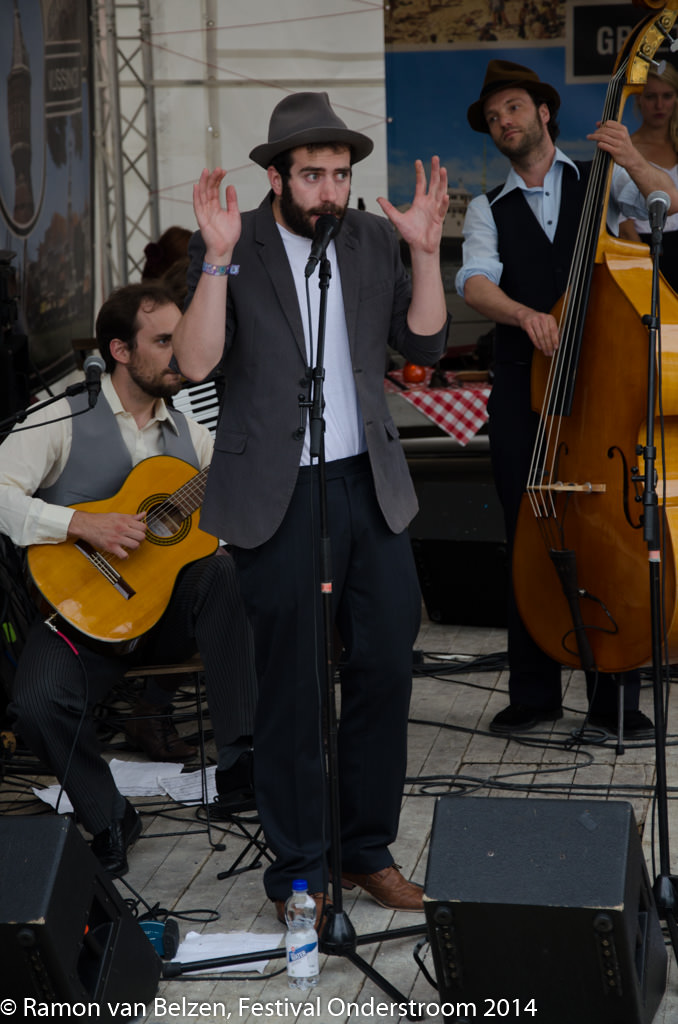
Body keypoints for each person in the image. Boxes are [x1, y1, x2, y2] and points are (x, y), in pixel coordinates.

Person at [171, 91, 450, 921]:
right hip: (278, 493)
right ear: (277, 177)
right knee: (292, 686)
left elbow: (426, 343)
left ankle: (364, 851)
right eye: (313, 175)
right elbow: (195, 363)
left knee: (384, 668)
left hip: (369, 484)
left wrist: (424, 253)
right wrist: (215, 262)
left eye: (340, 175)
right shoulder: (233, 243)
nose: (330, 190)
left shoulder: (369, 238)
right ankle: (299, 870)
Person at [3, 282, 259, 876]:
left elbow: (238, 506)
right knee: (35, 704)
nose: (180, 353)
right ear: (120, 350)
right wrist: (78, 524)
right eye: (164, 340)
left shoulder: (194, 437)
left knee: (222, 570)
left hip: (166, 620)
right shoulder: (62, 417)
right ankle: (110, 816)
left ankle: (241, 766)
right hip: (83, 613)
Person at [456, 60, 678, 737]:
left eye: (515, 107)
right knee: (529, 531)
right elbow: (474, 280)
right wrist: (525, 315)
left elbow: (669, 202)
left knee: (609, 531)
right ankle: (534, 695)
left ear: (543, 112)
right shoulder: (486, 207)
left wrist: (631, 156)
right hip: (526, 392)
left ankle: (616, 702)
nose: (505, 121)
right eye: (494, 115)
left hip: (605, 389)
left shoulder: (600, 180)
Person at [619, 63, 678, 291]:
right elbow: (622, 223)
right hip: (646, 247)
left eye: (667, 96)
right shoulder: (626, 149)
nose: (659, 105)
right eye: (651, 96)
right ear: (638, 99)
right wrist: (644, 265)